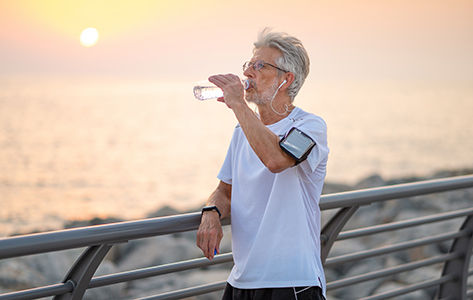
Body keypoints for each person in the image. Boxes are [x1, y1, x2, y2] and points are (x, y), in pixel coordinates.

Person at [196, 28, 329, 300]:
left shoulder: (310, 126)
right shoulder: (241, 130)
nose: (248, 73)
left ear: (286, 79)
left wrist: (239, 106)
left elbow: (276, 160)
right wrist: (210, 212)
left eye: (260, 66)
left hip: (292, 282)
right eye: (249, 64)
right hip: (241, 282)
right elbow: (225, 190)